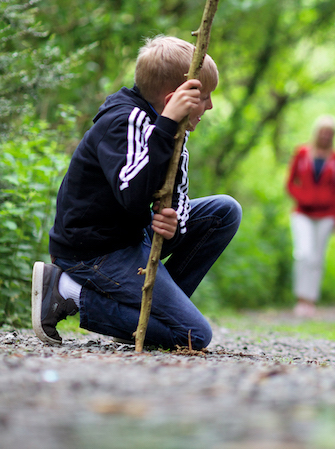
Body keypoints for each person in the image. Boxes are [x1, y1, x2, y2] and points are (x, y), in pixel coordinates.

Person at [32, 35, 241, 350]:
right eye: (205, 96)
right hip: (94, 250)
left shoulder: (170, 131)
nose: (209, 105)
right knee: (194, 337)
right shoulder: (125, 122)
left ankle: (144, 316)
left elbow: (177, 195)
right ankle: (66, 289)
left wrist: (174, 225)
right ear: (175, 98)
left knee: (224, 211)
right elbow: (133, 198)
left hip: (131, 234)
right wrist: (167, 126)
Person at [286, 115, 335, 317]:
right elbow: (290, 182)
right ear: (317, 132)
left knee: (317, 258)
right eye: (323, 132)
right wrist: (303, 197)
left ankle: (311, 300)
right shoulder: (302, 153)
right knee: (303, 253)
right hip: (302, 212)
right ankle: (301, 297)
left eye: (330, 133)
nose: (325, 136)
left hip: (326, 214)